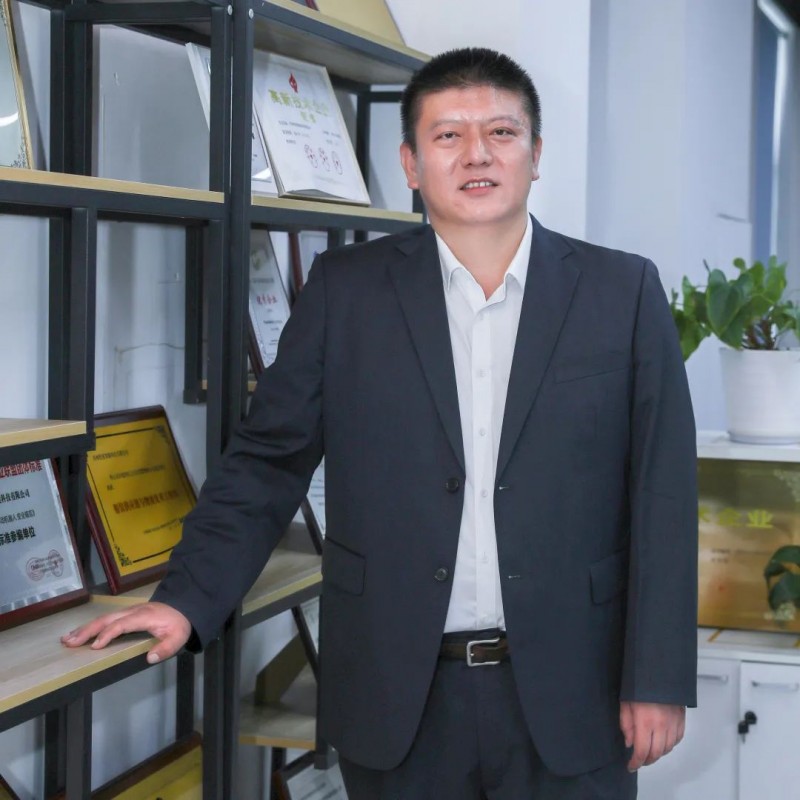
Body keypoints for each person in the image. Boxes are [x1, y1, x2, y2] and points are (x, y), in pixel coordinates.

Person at [63, 47, 698, 799]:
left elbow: (662, 493)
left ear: (536, 155)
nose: (477, 154)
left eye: (501, 132)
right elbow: (268, 461)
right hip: (399, 697)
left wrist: (658, 677)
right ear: (410, 164)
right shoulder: (347, 291)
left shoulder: (622, 291)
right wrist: (185, 599)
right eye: (448, 135)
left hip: (575, 690)